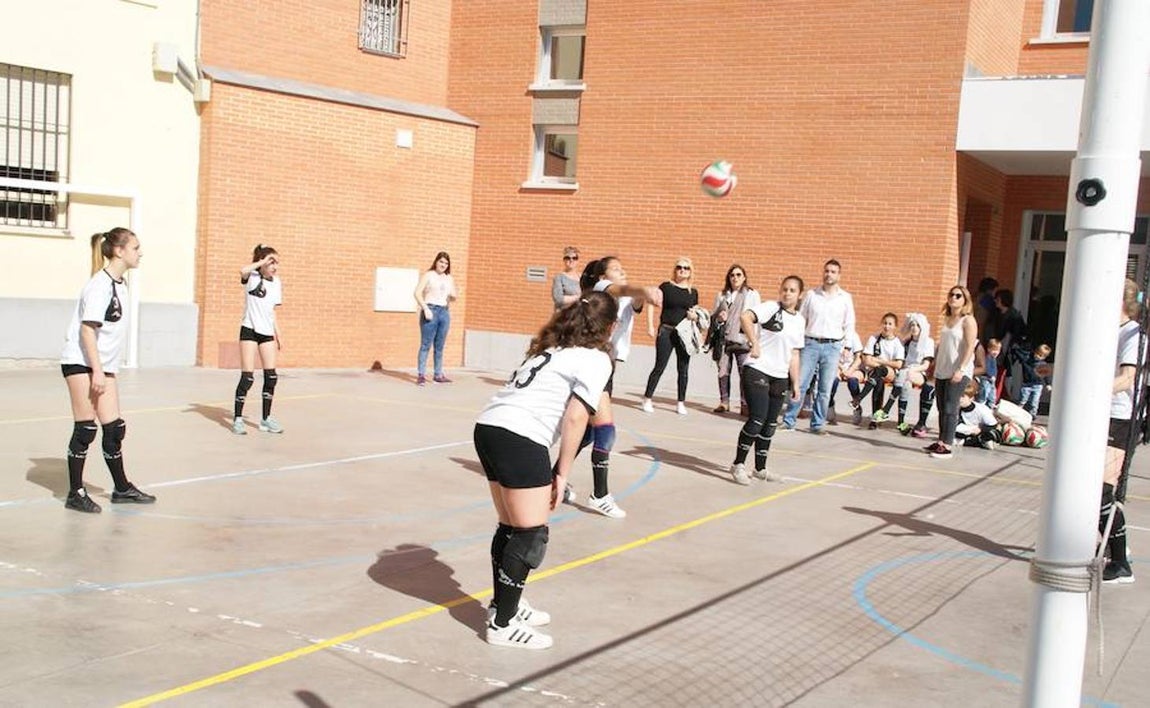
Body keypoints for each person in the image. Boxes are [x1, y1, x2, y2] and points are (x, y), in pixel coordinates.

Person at [474, 291, 619, 648]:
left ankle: (504, 604)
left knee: (511, 526)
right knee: (530, 534)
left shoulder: (551, 349)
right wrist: (562, 473)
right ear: (611, 328)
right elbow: (576, 417)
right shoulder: (597, 359)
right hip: (520, 436)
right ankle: (503, 625)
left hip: (489, 428)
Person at [59, 228, 156, 512]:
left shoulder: (120, 284)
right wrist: (98, 372)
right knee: (86, 428)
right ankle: (75, 493)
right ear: (119, 251)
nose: (140, 253)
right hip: (81, 362)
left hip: (101, 365)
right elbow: (87, 331)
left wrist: (105, 369)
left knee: (114, 429)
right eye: (136, 248)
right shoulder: (99, 285)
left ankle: (122, 488)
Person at [565, 256, 661, 518]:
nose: (622, 272)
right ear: (602, 276)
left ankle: (554, 479)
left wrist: (647, 295)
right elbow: (623, 290)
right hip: (591, 363)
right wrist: (641, 290)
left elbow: (636, 300)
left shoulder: (626, 296)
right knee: (605, 430)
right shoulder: (602, 289)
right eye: (616, 269)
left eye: (623, 268)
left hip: (605, 365)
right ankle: (599, 494)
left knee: (586, 433)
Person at [728, 276, 806, 485]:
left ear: (800, 295)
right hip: (758, 369)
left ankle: (760, 468)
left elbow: (795, 354)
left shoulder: (799, 320)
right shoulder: (772, 308)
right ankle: (738, 465)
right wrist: (754, 342)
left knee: (770, 424)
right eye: (785, 289)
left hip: (780, 376)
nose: (787, 293)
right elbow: (745, 317)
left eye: (792, 290)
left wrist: (796, 384)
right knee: (757, 419)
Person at [782, 259, 856, 434]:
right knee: (800, 384)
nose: (829, 274)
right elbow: (801, 318)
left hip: (832, 346)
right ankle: (789, 420)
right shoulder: (812, 295)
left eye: (833, 271)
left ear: (839, 275)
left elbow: (849, 324)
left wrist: (847, 346)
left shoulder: (845, 298)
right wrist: (796, 342)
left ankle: (817, 424)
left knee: (824, 388)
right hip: (810, 343)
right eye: (827, 271)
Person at [1100, 279, 1139, 584]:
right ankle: (1108, 548)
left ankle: (1121, 561)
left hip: (1119, 419)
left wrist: (1092, 390)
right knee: (1090, 489)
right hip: (1098, 417)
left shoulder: (1133, 334)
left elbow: (1127, 378)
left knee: (1104, 490)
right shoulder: (1106, 330)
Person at [232, 244, 285, 435]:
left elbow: (272, 311)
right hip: (249, 329)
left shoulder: (277, 282)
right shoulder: (252, 277)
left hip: (266, 332)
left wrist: (278, 333)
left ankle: (266, 419)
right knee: (248, 377)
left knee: (271, 376)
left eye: (276, 262)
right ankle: (238, 419)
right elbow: (242, 270)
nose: (274, 266)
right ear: (262, 262)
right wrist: (262, 261)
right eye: (272, 262)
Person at [925, 286, 978, 459]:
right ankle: (941, 441)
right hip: (943, 368)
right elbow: (943, 345)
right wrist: (934, 364)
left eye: (958, 296)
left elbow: (970, 346)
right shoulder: (948, 319)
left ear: (965, 300)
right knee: (941, 406)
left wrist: (961, 369)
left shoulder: (968, 320)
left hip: (958, 370)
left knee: (950, 406)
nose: (954, 298)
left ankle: (947, 444)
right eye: (952, 295)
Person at [641, 258, 700, 415]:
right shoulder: (665, 287)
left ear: (690, 272)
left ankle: (680, 402)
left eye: (686, 268)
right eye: (679, 267)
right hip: (666, 331)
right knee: (659, 366)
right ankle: (647, 399)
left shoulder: (692, 292)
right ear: (675, 270)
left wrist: (694, 315)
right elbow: (651, 304)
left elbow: (695, 311)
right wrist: (651, 326)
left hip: (684, 334)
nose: (682, 270)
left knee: (683, 369)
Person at [711, 265, 761, 415]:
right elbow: (714, 317)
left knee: (744, 373)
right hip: (724, 340)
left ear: (744, 277)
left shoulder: (752, 294)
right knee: (723, 371)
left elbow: (756, 319)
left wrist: (755, 341)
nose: (735, 277)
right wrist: (719, 319)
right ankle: (724, 402)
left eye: (739, 275)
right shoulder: (722, 295)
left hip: (743, 339)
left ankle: (745, 404)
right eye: (732, 275)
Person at [880, 313, 935, 434]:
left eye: (917, 325)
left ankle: (887, 408)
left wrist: (910, 370)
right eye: (912, 325)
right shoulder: (907, 342)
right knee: (905, 385)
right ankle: (901, 422)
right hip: (906, 374)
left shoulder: (928, 342)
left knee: (905, 374)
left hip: (920, 373)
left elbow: (926, 365)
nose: (914, 328)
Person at [848, 313, 905, 429]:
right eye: (885, 323)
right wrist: (877, 363)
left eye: (890, 324)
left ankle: (859, 398)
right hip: (875, 372)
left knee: (880, 370)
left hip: (891, 373)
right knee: (877, 380)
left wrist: (881, 361)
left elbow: (898, 364)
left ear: (895, 327)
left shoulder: (897, 343)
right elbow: (867, 360)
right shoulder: (874, 339)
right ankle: (874, 419)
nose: (887, 326)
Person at [413, 251, 459, 386]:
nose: (443, 265)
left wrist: (453, 295)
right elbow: (417, 293)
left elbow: (453, 296)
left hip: (444, 312)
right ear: (436, 262)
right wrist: (425, 308)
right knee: (426, 344)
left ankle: (438, 374)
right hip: (431, 310)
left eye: (446, 263)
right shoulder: (429, 275)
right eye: (441, 262)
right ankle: (421, 375)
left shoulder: (449, 278)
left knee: (439, 346)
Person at [993, 288, 1028, 399]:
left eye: (997, 299)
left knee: (1001, 372)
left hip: (1006, 348)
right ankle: (1000, 395)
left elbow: (1014, 334)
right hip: (999, 347)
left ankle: (1000, 396)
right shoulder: (999, 314)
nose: (995, 301)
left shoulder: (1013, 315)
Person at [827, 330, 863, 425]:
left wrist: (850, 370)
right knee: (832, 381)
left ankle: (857, 407)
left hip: (852, 367)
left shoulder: (853, 336)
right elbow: (829, 356)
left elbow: (859, 358)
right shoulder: (833, 334)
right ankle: (830, 406)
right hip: (837, 366)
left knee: (852, 381)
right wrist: (841, 368)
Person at [955, 380, 999, 450]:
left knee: (992, 434)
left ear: (971, 397)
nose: (960, 399)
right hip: (967, 431)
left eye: (963, 396)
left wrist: (980, 429)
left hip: (981, 430)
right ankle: (978, 442)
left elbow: (993, 424)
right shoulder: (956, 409)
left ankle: (981, 440)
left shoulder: (982, 409)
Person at [1016, 342, 1052, 418]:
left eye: (1041, 356)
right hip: (1027, 384)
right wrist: (1017, 348)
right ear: (1035, 352)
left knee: (1034, 401)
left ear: (1044, 357)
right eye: (1038, 354)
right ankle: (1018, 412)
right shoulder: (1028, 359)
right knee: (1023, 399)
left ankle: (1033, 414)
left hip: (1037, 385)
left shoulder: (1043, 364)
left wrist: (1048, 384)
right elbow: (1019, 353)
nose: (1038, 357)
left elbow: (1046, 375)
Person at [975, 338, 1001, 406]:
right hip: (986, 379)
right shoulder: (987, 358)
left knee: (992, 396)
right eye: (994, 350)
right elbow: (986, 368)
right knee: (984, 395)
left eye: (998, 350)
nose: (996, 352)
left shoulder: (993, 359)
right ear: (989, 349)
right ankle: (981, 407)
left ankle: (990, 407)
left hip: (991, 380)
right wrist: (991, 376)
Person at [974, 276, 999, 346]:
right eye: (994, 290)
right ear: (989, 290)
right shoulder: (986, 300)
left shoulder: (976, 296)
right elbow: (981, 322)